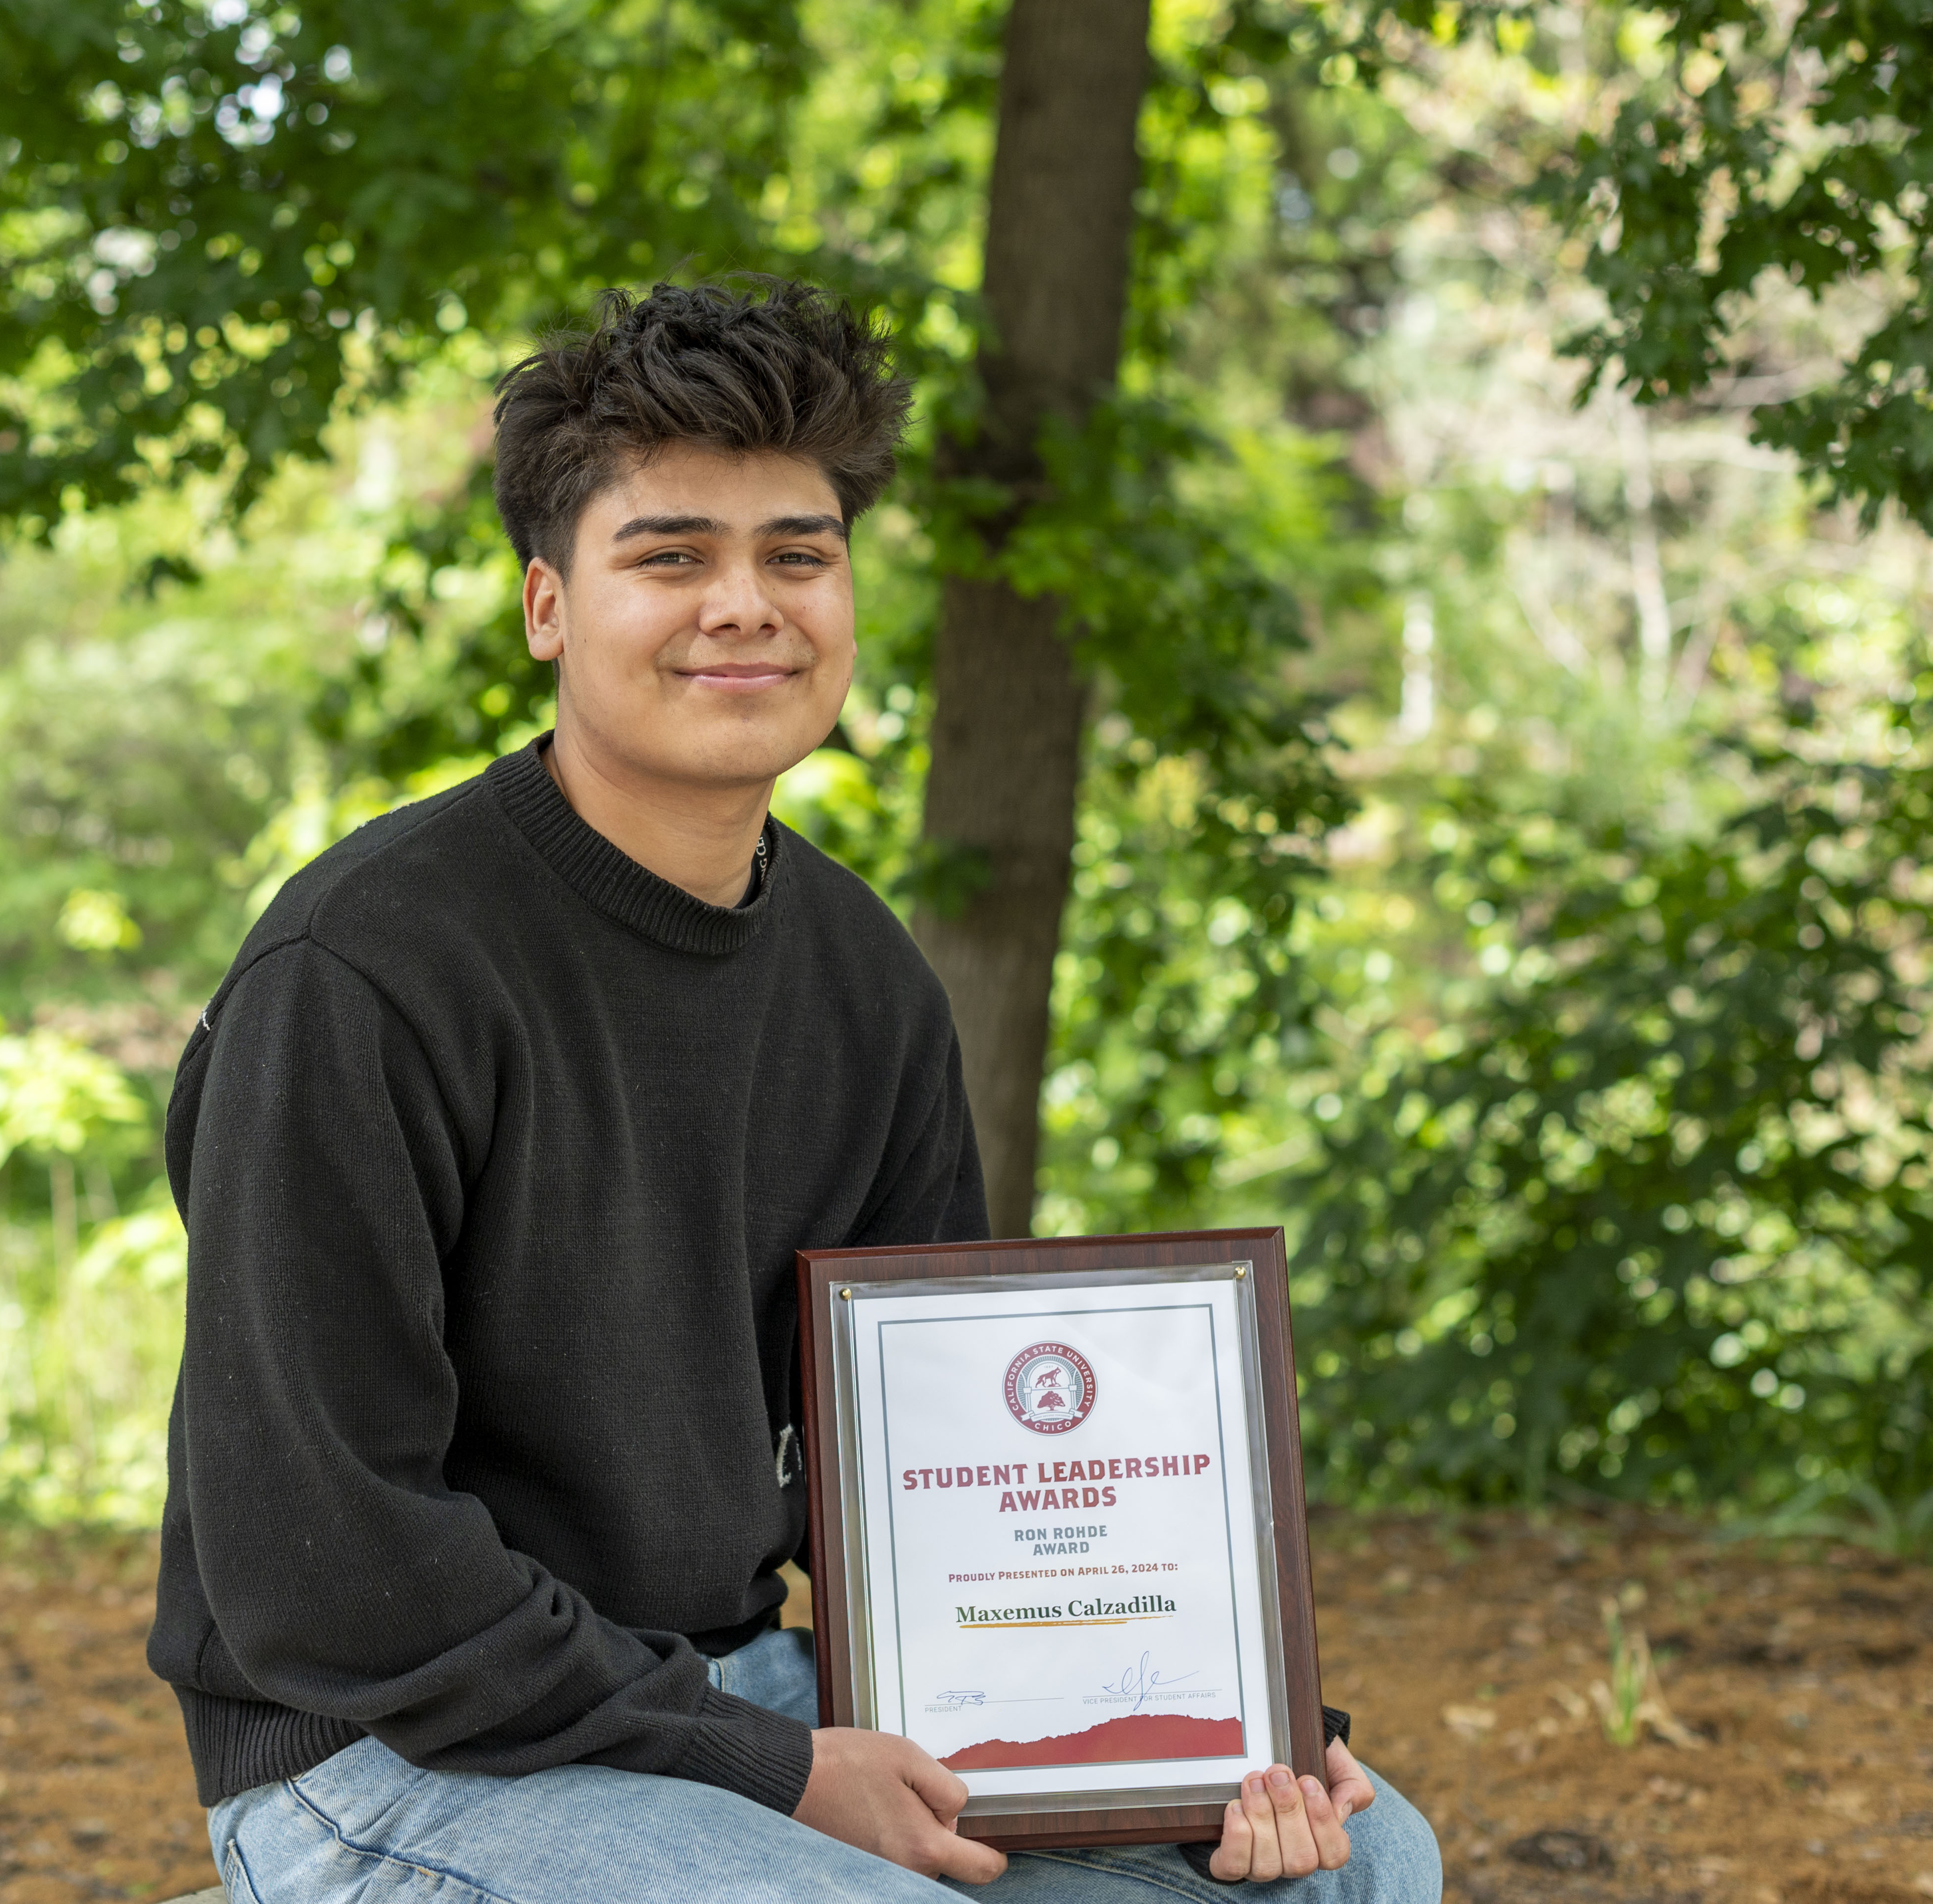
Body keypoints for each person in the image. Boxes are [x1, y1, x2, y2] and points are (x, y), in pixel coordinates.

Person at [147, 279, 1441, 1903]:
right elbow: (320, 1566)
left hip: (725, 1689)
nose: (744, 605)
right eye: (670, 556)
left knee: (1354, 1865)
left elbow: (929, 1475)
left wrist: (1207, 1720)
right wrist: (771, 1774)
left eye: (797, 556)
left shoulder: (859, 976)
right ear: (547, 606)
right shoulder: (364, 972)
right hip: (388, 1756)